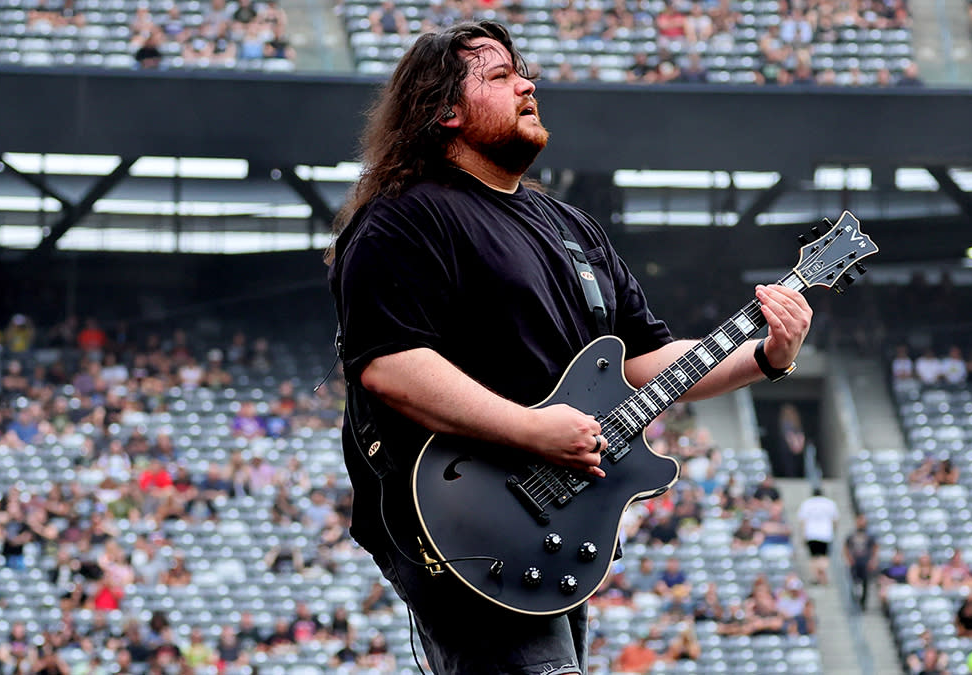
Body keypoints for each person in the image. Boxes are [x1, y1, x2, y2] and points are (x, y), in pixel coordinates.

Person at [327, 20, 814, 675]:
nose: (528, 83)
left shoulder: (573, 230)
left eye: (522, 72)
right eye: (499, 77)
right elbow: (390, 366)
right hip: (472, 515)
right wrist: (532, 430)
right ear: (444, 110)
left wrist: (767, 356)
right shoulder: (405, 216)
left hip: (549, 522)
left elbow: (646, 362)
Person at [796, 487, 838, 585]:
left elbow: (802, 521)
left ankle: (817, 576)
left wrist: (803, 535)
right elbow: (835, 520)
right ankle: (822, 573)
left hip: (811, 533)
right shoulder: (829, 503)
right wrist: (833, 531)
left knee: (814, 557)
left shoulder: (807, 503)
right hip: (825, 533)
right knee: (824, 556)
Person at [842, 513, 877, 610]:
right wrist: (849, 559)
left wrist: (873, 560)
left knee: (865, 584)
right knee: (854, 583)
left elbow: (875, 547)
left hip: (865, 563)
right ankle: (855, 601)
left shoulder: (869, 535)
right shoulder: (852, 535)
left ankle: (863, 603)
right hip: (855, 563)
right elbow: (846, 547)